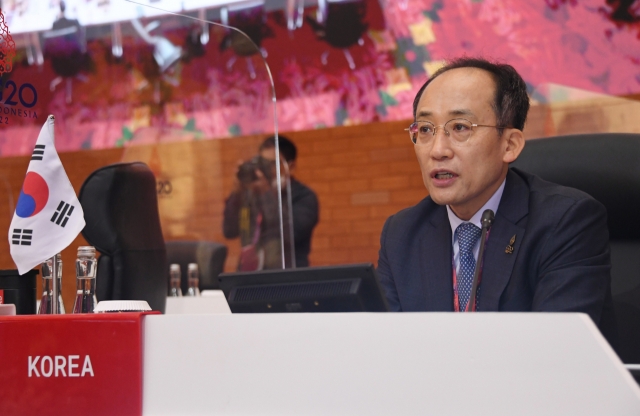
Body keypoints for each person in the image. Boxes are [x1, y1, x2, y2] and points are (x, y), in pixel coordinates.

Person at [377, 57, 616, 341]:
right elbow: (386, 347)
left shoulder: (566, 222)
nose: (437, 150)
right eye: (426, 130)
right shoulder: (402, 234)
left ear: (509, 145)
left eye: (460, 127)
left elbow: (558, 353)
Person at [223, 135, 319, 270]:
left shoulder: (304, 196)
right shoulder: (253, 193)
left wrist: (265, 193)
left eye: (272, 164)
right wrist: (237, 193)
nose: (265, 169)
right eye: (262, 163)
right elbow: (229, 231)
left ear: (290, 167)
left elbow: (290, 234)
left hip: (287, 278)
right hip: (250, 277)